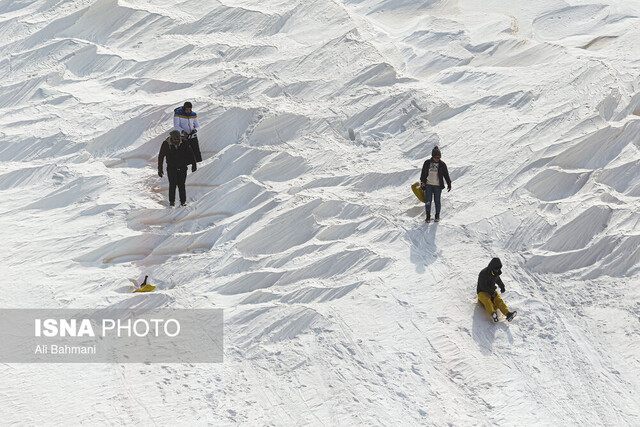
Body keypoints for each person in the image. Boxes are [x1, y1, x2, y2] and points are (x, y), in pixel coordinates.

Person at [158, 130, 197, 207]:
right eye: (175, 139)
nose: (177, 140)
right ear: (171, 138)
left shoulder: (184, 142)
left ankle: (183, 202)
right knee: (172, 185)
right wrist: (160, 169)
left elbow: (191, 153)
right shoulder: (166, 144)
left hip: (182, 167)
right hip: (171, 168)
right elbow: (161, 156)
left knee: (181, 185)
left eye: (178, 139)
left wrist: (194, 164)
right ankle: (171, 202)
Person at [477, 257, 517, 322]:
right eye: (496, 268)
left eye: (498, 269)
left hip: (492, 291)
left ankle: (508, 314)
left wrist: (502, 287)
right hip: (482, 292)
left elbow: (498, 280)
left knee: (499, 300)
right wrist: (491, 293)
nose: (497, 270)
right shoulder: (483, 273)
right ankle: (493, 314)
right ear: (492, 267)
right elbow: (483, 286)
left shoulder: (496, 274)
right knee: (487, 301)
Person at [420, 146, 452, 222]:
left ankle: (437, 216)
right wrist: (422, 182)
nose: (437, 159)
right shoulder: (427, 163)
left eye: (439, 157)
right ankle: (428, 216)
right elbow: (423, 174)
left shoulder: (442, 164)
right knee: (428, 201)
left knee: (437, 201)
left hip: (438, 186)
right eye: (436, 157)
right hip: (428, 185)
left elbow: (446, 175)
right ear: (432, 156)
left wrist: (449, 183)